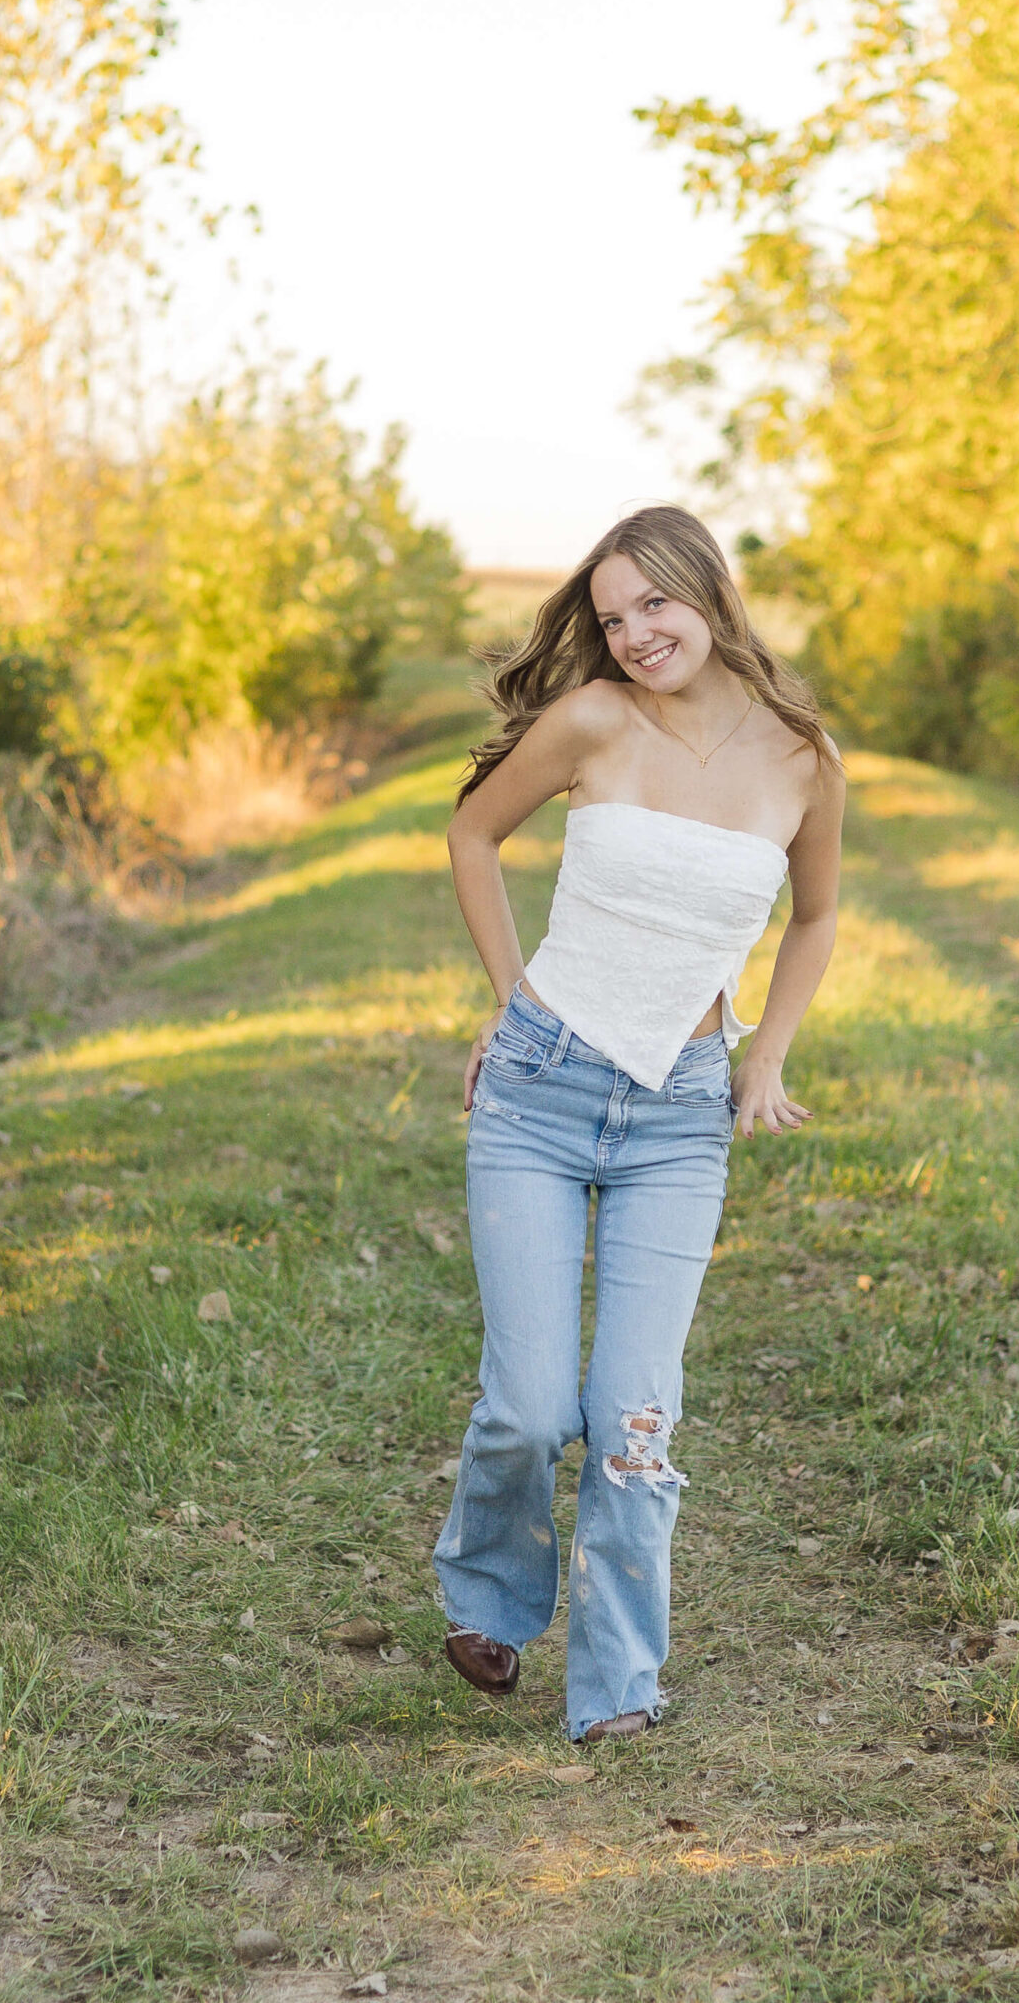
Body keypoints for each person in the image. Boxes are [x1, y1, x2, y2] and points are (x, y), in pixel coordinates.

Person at [432, 504, 845, 1744]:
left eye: (652, 605)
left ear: (706, 591)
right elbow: (472, 832)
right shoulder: (593, 721)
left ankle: (616, 1686)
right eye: (610, 619)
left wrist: (763, 1049)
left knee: (633, 1417)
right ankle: (491, 1596)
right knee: (529, 1404)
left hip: (678, 1114)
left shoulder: (802, 756)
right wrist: (511, 1005)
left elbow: (815, 916)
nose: (632, 634)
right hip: (539, 1092)